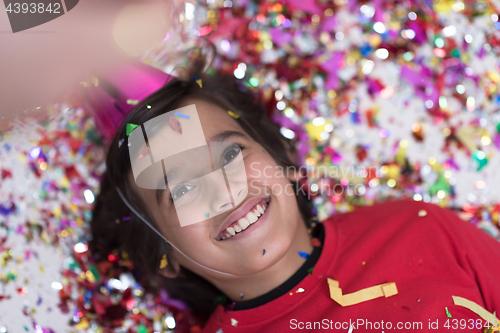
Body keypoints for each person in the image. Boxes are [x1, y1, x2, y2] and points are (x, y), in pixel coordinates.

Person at [90, 51, 500, 332]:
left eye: (230, 153)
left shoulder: (416, 228)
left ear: (282, 157)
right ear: (162, 256)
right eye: (181, 190)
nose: (225, 188)